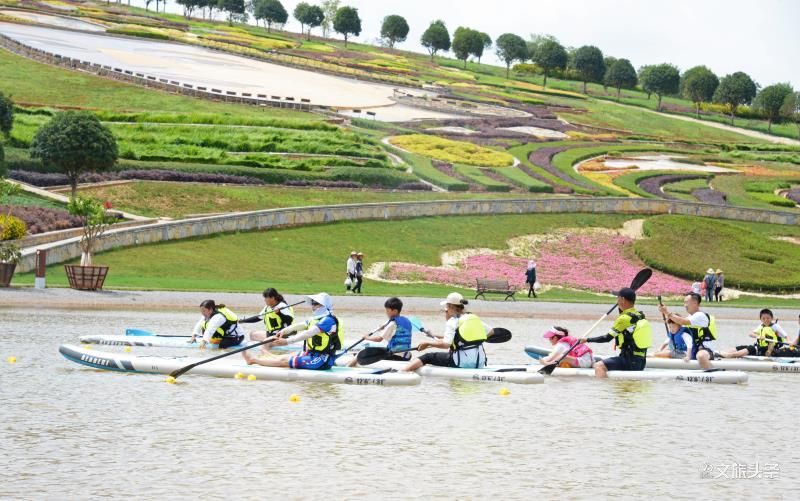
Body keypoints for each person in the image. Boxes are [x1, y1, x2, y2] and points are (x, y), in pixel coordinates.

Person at [243, 293, 342, 370]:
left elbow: (308, 333)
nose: (312, 305)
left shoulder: (328, 321)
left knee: (284, 361)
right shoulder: (316, 319)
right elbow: (299, 325)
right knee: (286, 356)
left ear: (323, 305)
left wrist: (287, 341)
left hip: (322, 360)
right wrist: (284, 331)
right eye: (312, 302)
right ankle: (266, 356)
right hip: (311, 353)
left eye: (315, 303)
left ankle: (253, 360)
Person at [401, 292, 493, 371]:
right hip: (479, 362)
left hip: (462, 363)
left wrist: (428, 344)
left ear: (451, 306)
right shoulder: (473, 318)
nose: (446, 309)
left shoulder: (452, 321)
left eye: (447, 307)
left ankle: (403, 371)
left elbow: (446, 345)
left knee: (428, 356)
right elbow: (491, 331)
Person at [579, 288, 652, 377]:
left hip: (629, 361)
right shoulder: (639, 315)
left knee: (599, 366)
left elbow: (607, 338)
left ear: (623, 300)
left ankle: (601, 389)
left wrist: (587, 340)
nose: (617, 300)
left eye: (618, 298)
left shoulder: (623, 318)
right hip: (640, 361)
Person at [657, 292, 717, 369]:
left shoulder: (700, 316)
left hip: (704, 349)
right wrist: (667, 317)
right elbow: (678, 324)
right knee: (661, 353)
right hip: (693, 350)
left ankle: (713, 374)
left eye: (686, 302)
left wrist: (666, 312)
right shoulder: (690, 317)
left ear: (695, 303)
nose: (684, 305)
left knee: (700, 356)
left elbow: (682, 321)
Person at [349, 297, 413, 367]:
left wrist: (367, 337)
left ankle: (348, 368)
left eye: (387, 311)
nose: (386, 313)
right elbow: (396, 331)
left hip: (395, 355)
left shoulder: (392, 324)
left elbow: (379, 339)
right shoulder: (407, 321)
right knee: (382, 349)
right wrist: (383, 328)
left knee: (360, 353)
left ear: (394, 311)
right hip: (406, 355)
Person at [721, 309, 797, 358]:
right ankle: (721, 352)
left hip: (770, 348)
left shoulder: (775, 326)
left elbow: (786, 336)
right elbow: (751, 334)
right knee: (742, 347)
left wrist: (789, 342)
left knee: (750, 349)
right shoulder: (761, 326)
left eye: (768, 318)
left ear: (772, 318)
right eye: (763, 318)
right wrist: (759, 336)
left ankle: (729, 355)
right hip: (760, 346)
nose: (766, 320)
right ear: (760, 319)